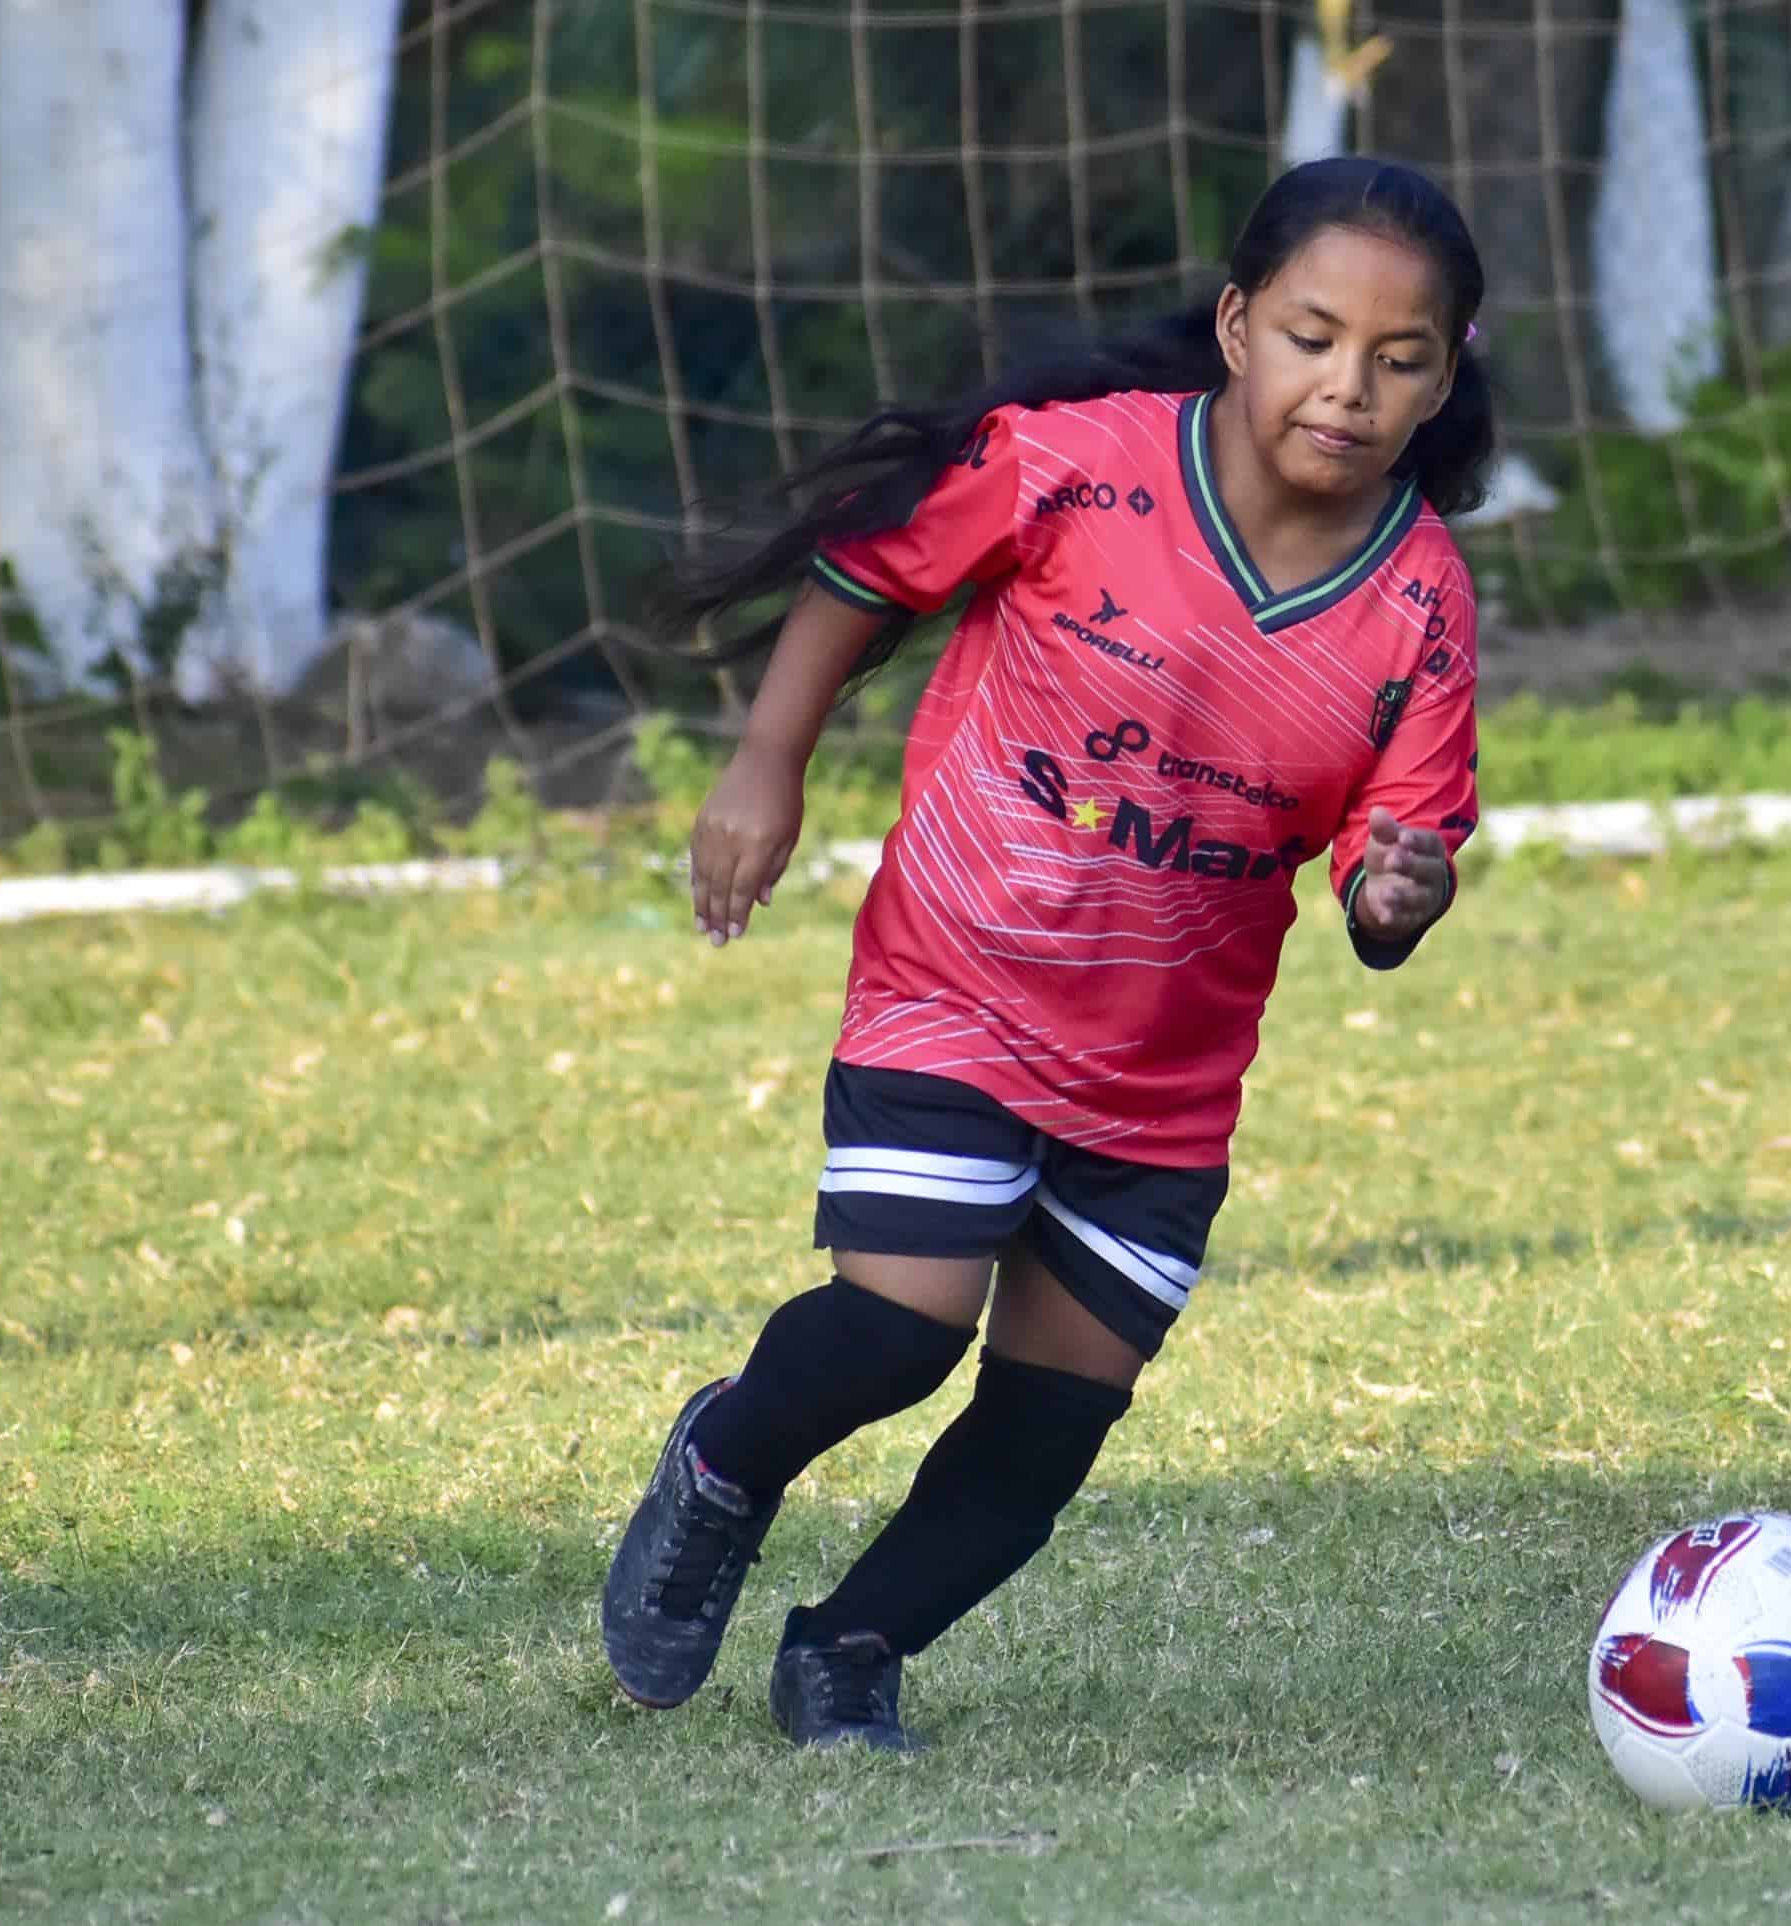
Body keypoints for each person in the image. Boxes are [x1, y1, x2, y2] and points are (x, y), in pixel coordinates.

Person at [600, 156, 1494, 1751]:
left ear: (1443, 376)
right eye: (1310, 335)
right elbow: (863, 569)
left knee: (1048, 1423)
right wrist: (765, 764)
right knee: (896, 1325)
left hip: (1161, 1075)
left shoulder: (1418, 597)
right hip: (959, 980)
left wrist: (1395, 895)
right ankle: (725, 1462)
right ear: (1235, 326)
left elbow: (1387, 862)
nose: (1346, 385)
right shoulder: (1073, 471)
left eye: (1398, 357)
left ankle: (848, 1650)